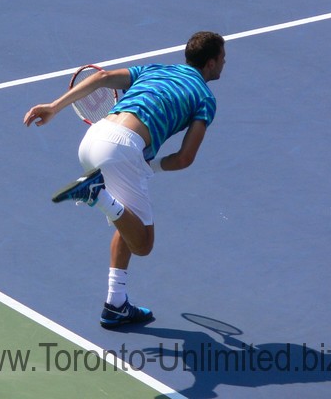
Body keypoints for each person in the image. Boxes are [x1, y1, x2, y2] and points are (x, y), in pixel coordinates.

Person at [23, 31, 225, 328]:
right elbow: (185, 158)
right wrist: (150, 166)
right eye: (223, 58)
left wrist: (54, 107)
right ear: (210, 64)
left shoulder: (157, 69)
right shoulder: (205, 98)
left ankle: (116, 303)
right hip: (123, 148)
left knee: (126, 217)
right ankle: (97, 194)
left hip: (93, 139)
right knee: (143, 243)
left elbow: (102, 78)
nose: (224, 63)